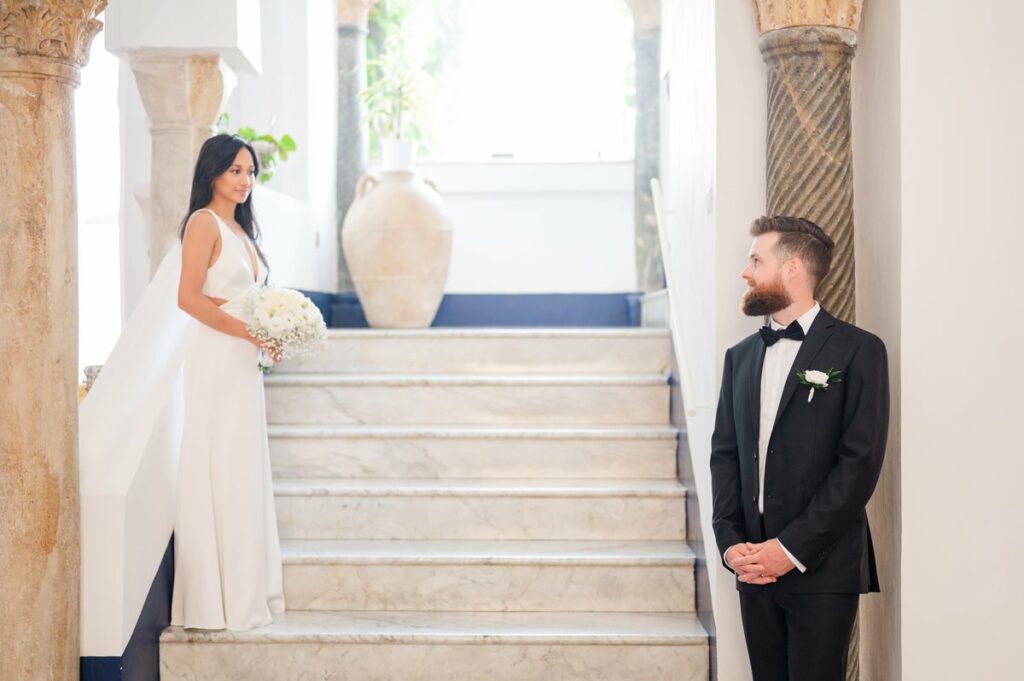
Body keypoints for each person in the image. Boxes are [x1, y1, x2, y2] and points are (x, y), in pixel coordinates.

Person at [710, 215, 889, 681]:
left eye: (755, 260)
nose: (746, 272)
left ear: (792, 269)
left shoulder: (859, 350)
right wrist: (733, 547)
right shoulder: (740, 358)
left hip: (822, 568)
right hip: (752, 569)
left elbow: (860, 464)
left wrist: (788, 550)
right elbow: (725, 456)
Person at [169, 134, 285, 630]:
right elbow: (189, 299)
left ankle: (245, 593)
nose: (244, 180)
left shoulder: (243, 232)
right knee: (220, 466)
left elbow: (244, 302)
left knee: (242, 470)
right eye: (235, 170)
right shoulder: (203, 223)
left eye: (250, 172)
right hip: (215, 360)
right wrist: (249, 330)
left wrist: (269, 333)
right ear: (213, 172)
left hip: (241, 363)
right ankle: (216, 601)